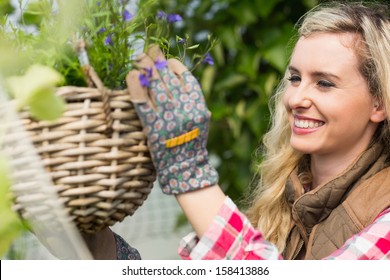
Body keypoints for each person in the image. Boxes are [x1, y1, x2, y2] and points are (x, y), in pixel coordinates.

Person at [93, 1, 390, 259]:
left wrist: (188, 169)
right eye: (295, 78)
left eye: (324, 83)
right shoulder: (285, 200)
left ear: (379, 103)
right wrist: (101, 249)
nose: (296, 98)